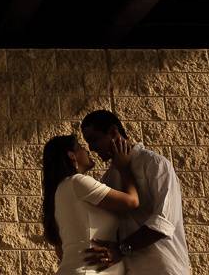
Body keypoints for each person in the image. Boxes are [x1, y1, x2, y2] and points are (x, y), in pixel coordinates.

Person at [80, 110, 190, 274]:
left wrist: (120, 249)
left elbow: (164, 221)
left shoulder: (155, 164)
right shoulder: (108, 178)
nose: (92, 147)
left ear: (113, 132)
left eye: (94, 139)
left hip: (164, 267)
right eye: (88, 142)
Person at [42, 134, 140, 274]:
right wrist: (123, 167)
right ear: (72, 156)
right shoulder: (78, 182)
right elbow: (132, 201)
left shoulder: (59, 191)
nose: (87, 150)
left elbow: (61, 252)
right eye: (81, 147)